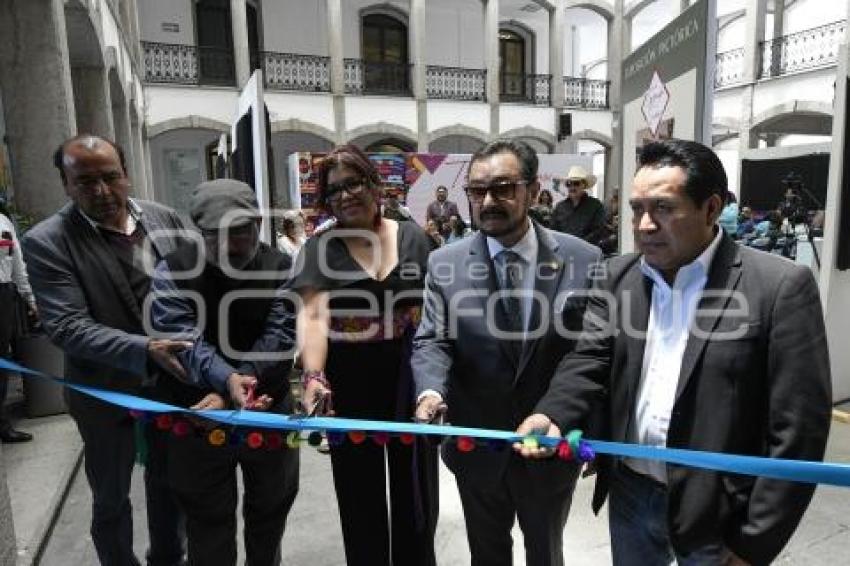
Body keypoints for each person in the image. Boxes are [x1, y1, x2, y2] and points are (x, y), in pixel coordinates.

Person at [516, 139, 832, 566]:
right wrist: (552, 414)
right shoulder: (616, 277)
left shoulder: (778, 287)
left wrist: (753, 543)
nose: (644, 225)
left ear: (710, 208)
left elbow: (798, 432)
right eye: (636, 209)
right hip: (630, 494)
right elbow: (589, 359)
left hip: (718, 511)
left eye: (663, 208)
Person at [412, 139, 601, 566]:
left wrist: (588, 424)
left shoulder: (582, 258)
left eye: (503, 188)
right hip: (476, 446)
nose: (488, 201)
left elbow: (592, 351)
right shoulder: (445, 263)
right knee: (487, 555)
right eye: (477, 191)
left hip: (550, 448)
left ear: (533, 192)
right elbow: (432, 339)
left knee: (546, 553)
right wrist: (430, 392)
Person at [23, 135, 187, 566]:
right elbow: (66, 326)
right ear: (66, 184)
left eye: (111, 177)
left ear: (126, 175)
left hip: (171, 386)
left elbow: (194, 288)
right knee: (111, 497)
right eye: (85, 181)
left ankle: (168, 557)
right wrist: (146, 348)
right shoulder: (47, 241)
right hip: (104, 391)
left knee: (170, 482)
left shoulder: (164, 218)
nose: (101, 191)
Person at [289, 144, 438, 566]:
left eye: (353, 183)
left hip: (408, 372)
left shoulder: (411, 236)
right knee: (358, 489)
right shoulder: (319, 248)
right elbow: (314, 316)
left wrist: (437, 377)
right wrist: (314, 377)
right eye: (333, 190)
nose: (344, 195)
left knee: (415, 488)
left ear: (375, 184)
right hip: (348, 376)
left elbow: (434, 307)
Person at [149, 179, 299, 566]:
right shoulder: (173, 270)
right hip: (197, 417)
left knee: (270, 512)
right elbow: (183, 340)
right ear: (200, 233)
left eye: (242, 232)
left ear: (259, 225)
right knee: (207, 521)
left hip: (267, 412)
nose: (232, 245)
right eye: (218, 235)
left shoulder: (282, 267)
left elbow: (281, 336)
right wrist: (227, 381)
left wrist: (237, 384)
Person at [0, 205, 36, 443]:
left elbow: (17, 265)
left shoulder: (2, 222)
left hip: (2, 295)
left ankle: (2, 424)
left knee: (1, 360)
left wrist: (32, 299)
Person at [550, 165, 607, 244]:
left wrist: (580, 244)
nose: (572, 187)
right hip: (564, 252)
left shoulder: (596, 206)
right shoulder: (559, 207)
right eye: (569, 184)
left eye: (576, 183)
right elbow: (553, 231)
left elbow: (600, 231)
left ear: (584, 185)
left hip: (588, 251)